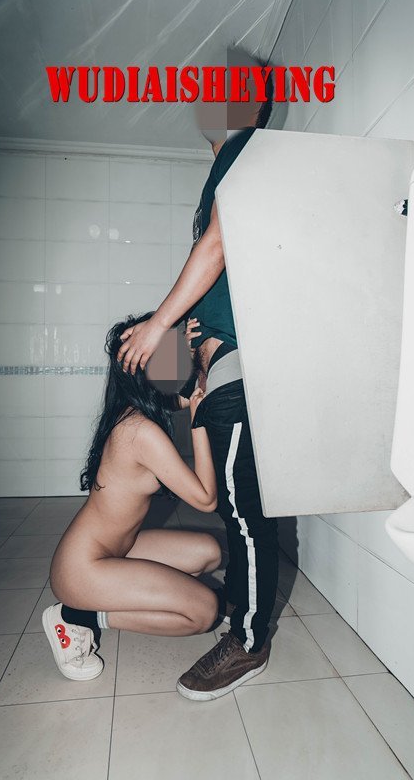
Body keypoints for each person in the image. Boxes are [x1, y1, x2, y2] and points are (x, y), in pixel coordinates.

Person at [115, 58, 279, 700]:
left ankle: (249, 641)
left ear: (251, 105)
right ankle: (241, 615)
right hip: (219, 357)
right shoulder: (222, 166)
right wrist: (178, 341)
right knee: (235, 506)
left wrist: (159, 324)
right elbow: (214, 268)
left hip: (236, 357)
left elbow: (217, 246)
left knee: (241, 509)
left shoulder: (244, 151)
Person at [41, 314, 222, 681]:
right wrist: (198, 420)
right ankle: (79, 616)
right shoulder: (139, 432)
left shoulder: (133, 413)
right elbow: (206, 499)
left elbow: (177, 396)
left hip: (118, 549)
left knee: (209, 551)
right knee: (204, 612)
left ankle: (109, 598)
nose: (178, 363)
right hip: (82, 568)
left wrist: (183, 345)